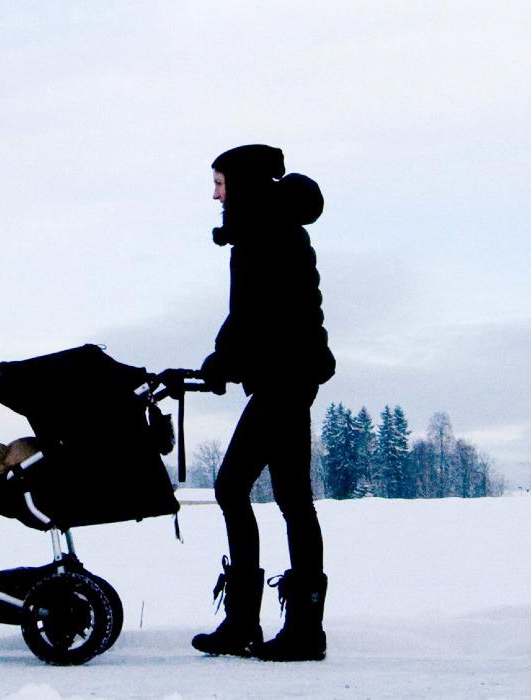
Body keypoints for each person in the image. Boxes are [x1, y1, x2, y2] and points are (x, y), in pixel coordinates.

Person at [189, 144, 335, 662]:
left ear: (244, 185)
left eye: (220, 183)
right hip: (286, 376)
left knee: (234, 486)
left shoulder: (265, 238)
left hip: (283, 378)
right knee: (293, 498)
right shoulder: (272, 233)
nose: (214, 193)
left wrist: (224, 360)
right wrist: (227, 360)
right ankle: (293, 628)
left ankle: (259, 625)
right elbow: (259, 318)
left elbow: (262, 317)